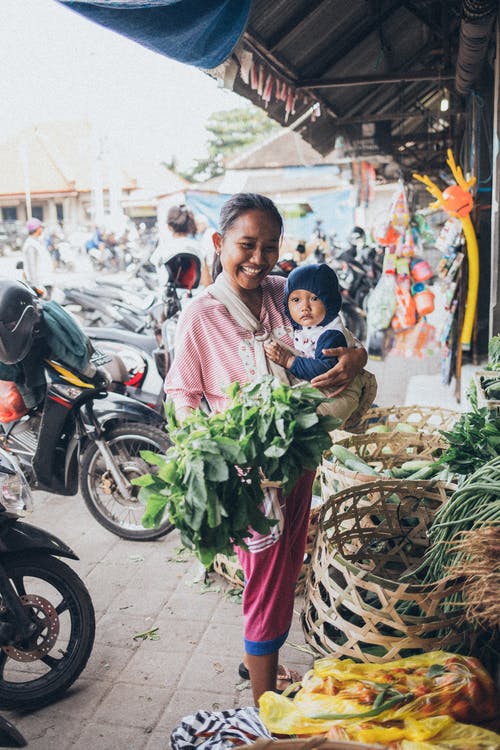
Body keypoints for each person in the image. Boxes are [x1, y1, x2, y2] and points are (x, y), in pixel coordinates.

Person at [164, 193, 368, 704]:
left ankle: (263, 663)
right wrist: (208, 459)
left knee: (286, 562)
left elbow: (337, 332)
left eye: (269, 247)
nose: (259, 259)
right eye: (246, 245)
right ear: (219, 243)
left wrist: (355, 357)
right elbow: (181, 397)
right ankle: (264, 707)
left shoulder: (284, 291)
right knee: (267, 581)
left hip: (298, 461)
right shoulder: (200, 317)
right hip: (248, 475)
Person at [152, 204, 211, 288]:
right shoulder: (199, 247)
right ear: (190, 226)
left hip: (169, 298)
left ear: (169, 227)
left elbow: (160, 278)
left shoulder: (162, 249)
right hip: (194, 298)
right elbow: (206, 282)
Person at [22, 218, 54, 297]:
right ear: (37, 229)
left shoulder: (36, 242)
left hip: (45, 282)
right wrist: (36, 286)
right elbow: (31, 267)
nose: (42, 229)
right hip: (41, 285)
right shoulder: (31, 245)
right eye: (41, 227)